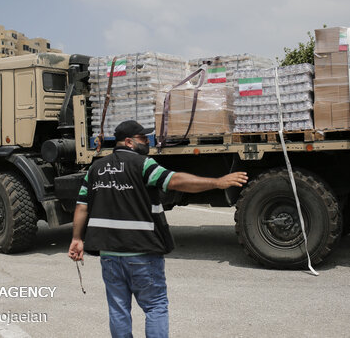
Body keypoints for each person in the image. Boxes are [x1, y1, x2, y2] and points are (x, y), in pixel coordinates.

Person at [68, 120, 248, 338]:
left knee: (118, 310)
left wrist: (77, 238)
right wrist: (217, 182)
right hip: (142, 253)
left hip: (109, 256)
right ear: (129, 142)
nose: (147, 142)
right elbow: (175, 181)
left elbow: (81, 206)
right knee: (155, 307)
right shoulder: (142, 164)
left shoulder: (95, 169)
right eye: (143, 138)